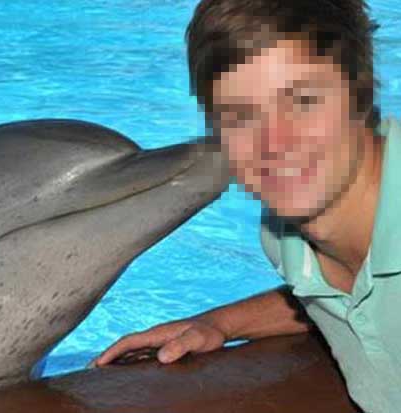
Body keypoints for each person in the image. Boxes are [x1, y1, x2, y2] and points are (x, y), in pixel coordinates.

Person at [91, 0, 401, 411]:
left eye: (303, 101)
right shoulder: (286, 235)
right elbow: (351, 297)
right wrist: (221, 323)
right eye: (239, 116)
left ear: (361, 95)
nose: (274, 144)